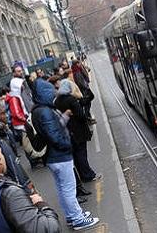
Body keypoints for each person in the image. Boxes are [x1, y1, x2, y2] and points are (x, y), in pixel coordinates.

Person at [31, 78, 99, 230]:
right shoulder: (45, 111)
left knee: (63, 189)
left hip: (53, 157)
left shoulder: (39, 110)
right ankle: (78, 219)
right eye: (50, 92)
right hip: (59, 156)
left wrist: (64, 118)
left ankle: (72, 215)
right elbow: (54, 136)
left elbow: (54, 128)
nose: (54, 94)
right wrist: (68, 146)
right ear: (45, 93)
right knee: (69, 189)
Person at [55, 79, 101, 183]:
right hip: (79, 131)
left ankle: (82, 175)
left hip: (68, 131)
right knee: (82, 153)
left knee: (76, 155)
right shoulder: (71, 99)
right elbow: (80, 115)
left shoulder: (57, 101)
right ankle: (88, 175)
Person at [71, 60, 96, 124]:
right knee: (87, 104)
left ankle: (88, 117)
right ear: (76, 64)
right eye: (79, 63)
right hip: (84, 91)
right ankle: (88, 118)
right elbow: (80, 82)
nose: (80, 64)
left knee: (87, 104)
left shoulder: (77, 70)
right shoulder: (77, 72)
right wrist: (86, 87)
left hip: (83, 90)